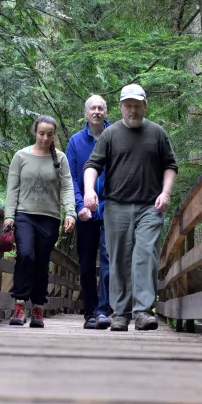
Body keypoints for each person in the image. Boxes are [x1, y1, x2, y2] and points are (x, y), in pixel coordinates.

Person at [83, 84, 177, 331]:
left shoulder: (157, 133)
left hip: (150, 206)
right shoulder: (110, 135)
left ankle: (143, 311)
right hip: (117, 206)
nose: (132, 111)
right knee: (119, 259)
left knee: (145, 255)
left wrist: (166, 192)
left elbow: (170, 165)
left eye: (137, 106)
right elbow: (92, 165)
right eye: (128, 106)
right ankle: (120, 313)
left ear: (145, 106)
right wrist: (90, 190)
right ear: (121, 107)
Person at [3, 115, 76, 327]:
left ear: (54, 135)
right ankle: (19, 305)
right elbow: (12, 189)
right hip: (24, 215)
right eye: (41, 133)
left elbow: (67, 187)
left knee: (42, 262)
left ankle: (38, 308)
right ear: (35, 132)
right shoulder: (20, 156)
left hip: (49, 218)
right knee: (25, 255)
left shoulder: (60, 159)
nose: (45, 138)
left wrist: (70, 212)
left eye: (50, 134)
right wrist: (9, 217)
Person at [65, 95, 113, 330]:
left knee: (107, 260)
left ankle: (103, 310)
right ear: (86, 113)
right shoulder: (75, 142)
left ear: (106, 112)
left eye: (100, 108)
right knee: (85, 264)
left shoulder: (116, 136)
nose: (96, 111)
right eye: (92, 108)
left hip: (111, 209)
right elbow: (71, 178)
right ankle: (90, 312)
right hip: (85, 211)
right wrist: (78, 206)